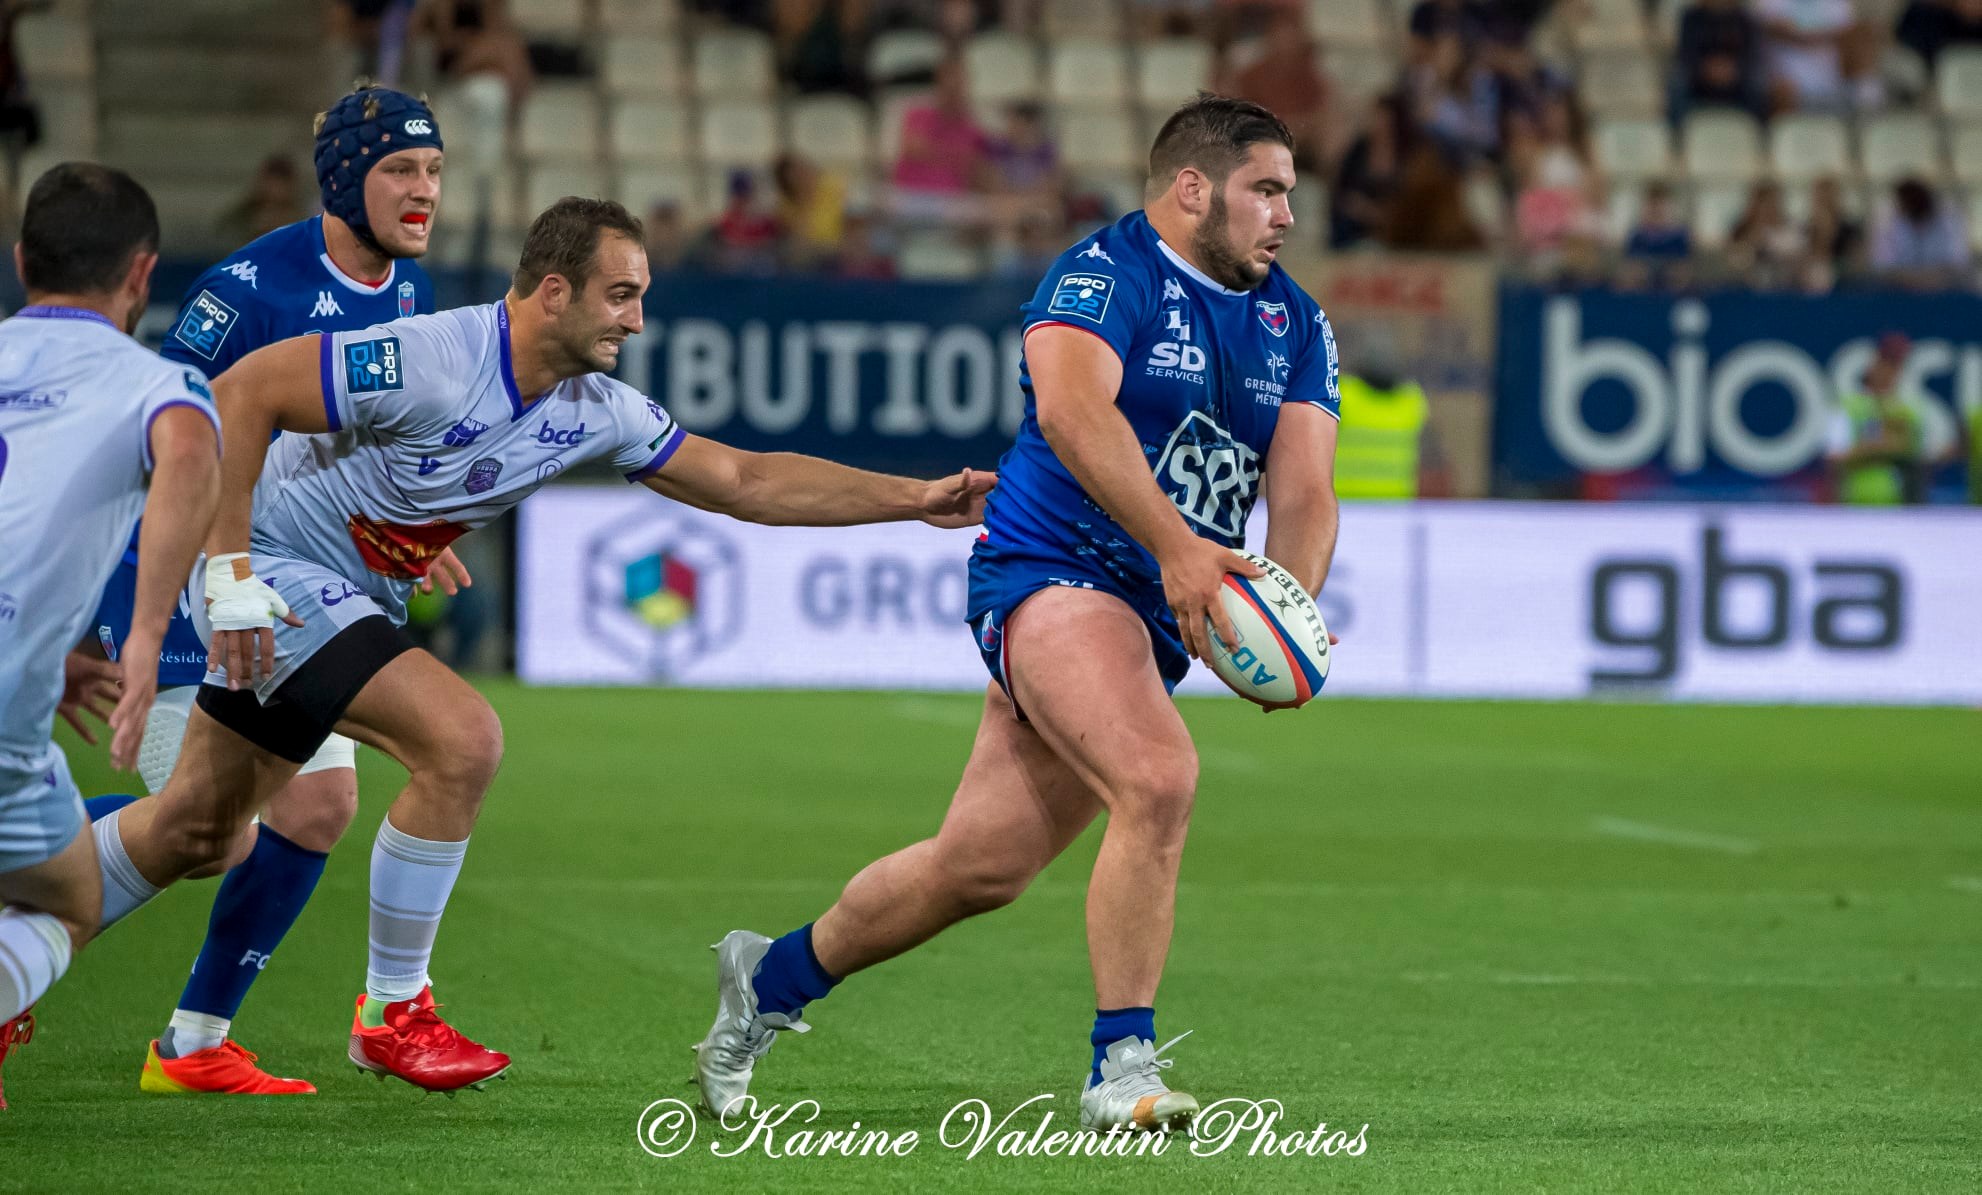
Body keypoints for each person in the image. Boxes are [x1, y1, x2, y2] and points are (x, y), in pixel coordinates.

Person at [84, 195, 995, 1098]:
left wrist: (914, 499)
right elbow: (242, 393)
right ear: (554, 292)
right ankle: (393, 1012)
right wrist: (230, 571)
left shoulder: (597, 407)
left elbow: (743, 478)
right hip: (275, 570)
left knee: (196, 830)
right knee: (461, 738)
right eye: (621, 295)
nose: (638, 320)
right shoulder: (434, 355)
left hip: (341, 594)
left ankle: (32, 923)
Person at [692, 94, 1343, 1135]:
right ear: (1192, 188)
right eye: (1264, 190)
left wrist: (1282, 608)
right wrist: (1180, 550)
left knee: (978, 867)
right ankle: (1121, 1063)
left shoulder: (1295, 322)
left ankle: (767, 977)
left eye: (1288, 194)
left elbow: (1304, 490)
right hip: (1052, 569)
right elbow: (1073, 413)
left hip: (1151, 612)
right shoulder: (1104, 274)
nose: (1285, 215)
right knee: (1158, 776)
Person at [79, 84, 456, 1098]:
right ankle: (22, 862)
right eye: (400, 171)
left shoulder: (411, 293)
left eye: (433, 171)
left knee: (318, 804)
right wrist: (210, 575)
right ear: (345, 179)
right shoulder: (246, 289)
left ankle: (194, 1042)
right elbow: (169, 435)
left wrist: (408, 529)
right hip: (187, 575)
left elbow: (372, 440)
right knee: (211, 830)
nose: (424, 191)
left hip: (289, 582)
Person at [0, 163, 223, 1108]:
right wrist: (145, 632)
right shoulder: (154, 383)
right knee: (66, 901)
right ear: (142, 274)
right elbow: (191, 450)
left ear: (22, 262)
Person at [1827, 332, 1925, 505]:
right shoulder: (1848, 407)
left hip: (1900, 505)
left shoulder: (1908, 411)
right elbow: (1834, 458)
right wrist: (1872, 449)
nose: (1889, 372)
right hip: (1855, 504)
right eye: (1885, 364)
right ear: (1873, 364)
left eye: (1896, 366)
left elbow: (1919, 456)